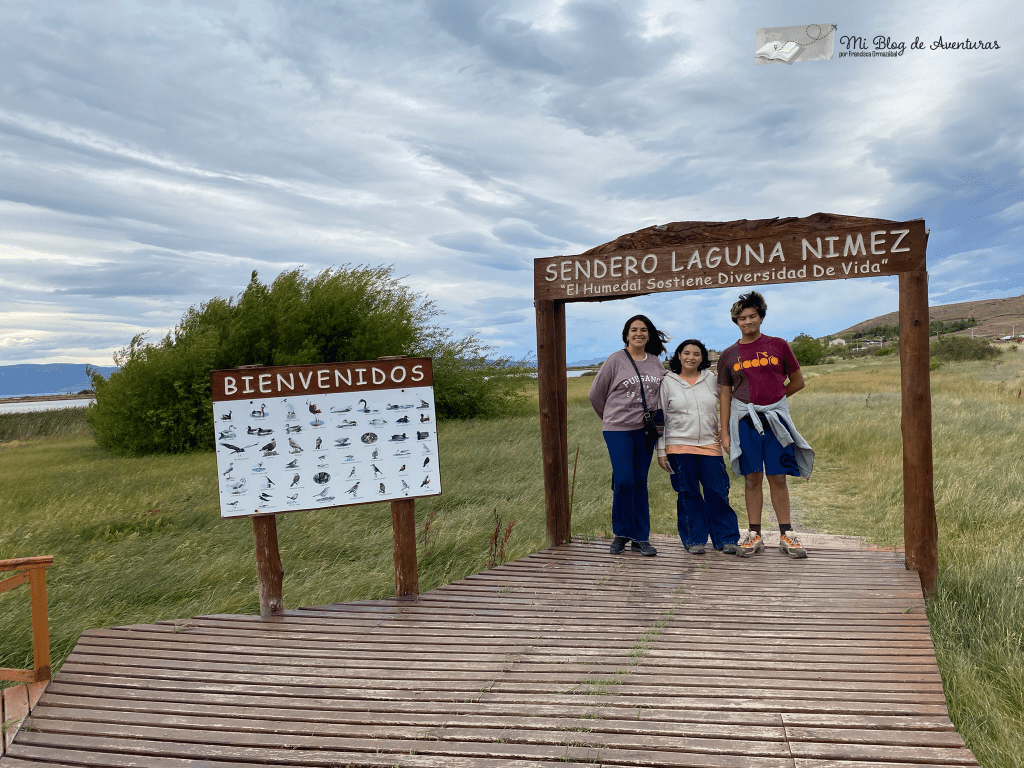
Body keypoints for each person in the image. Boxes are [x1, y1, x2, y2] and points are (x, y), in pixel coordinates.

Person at [717, 291, 814, 558]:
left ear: (761, 317)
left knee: (778, 476)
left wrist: (773, 403)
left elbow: (797, 382)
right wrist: (724, 433)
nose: (748, 321)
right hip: (745, 422)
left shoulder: (778, 345)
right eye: (742, 318)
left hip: (775, 422)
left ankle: (787, 534)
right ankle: (754, 534)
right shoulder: (728, 355)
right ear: (735, 321)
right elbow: (725, 395)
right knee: (752, 478)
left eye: (752, 316)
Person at [588, 314, 668, 556]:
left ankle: (641, 538)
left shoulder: (655, 362)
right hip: (618, 431)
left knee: (640, 483)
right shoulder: (616, 360)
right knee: (624, 481)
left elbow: (662, 394)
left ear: (649, 334)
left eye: (643, 330)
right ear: (626, 334)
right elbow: (595, 395)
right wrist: (611, 418)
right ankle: (622, 534)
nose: (638, 334)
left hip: (645, 431)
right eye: (634, 330)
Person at [656, 339, 741, 555]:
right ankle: (694, 540)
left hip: (710, 445)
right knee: (688, 493)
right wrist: (661, 450)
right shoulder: (668, 382)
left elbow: (729, 401)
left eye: (696, 353)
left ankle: (726, 538)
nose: (691, 357)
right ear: (679, 356)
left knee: (717, 491)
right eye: (686, 353)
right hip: (678, 446)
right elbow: (659, 417)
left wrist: (726, 432)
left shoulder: (711, 379)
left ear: (702, 357)